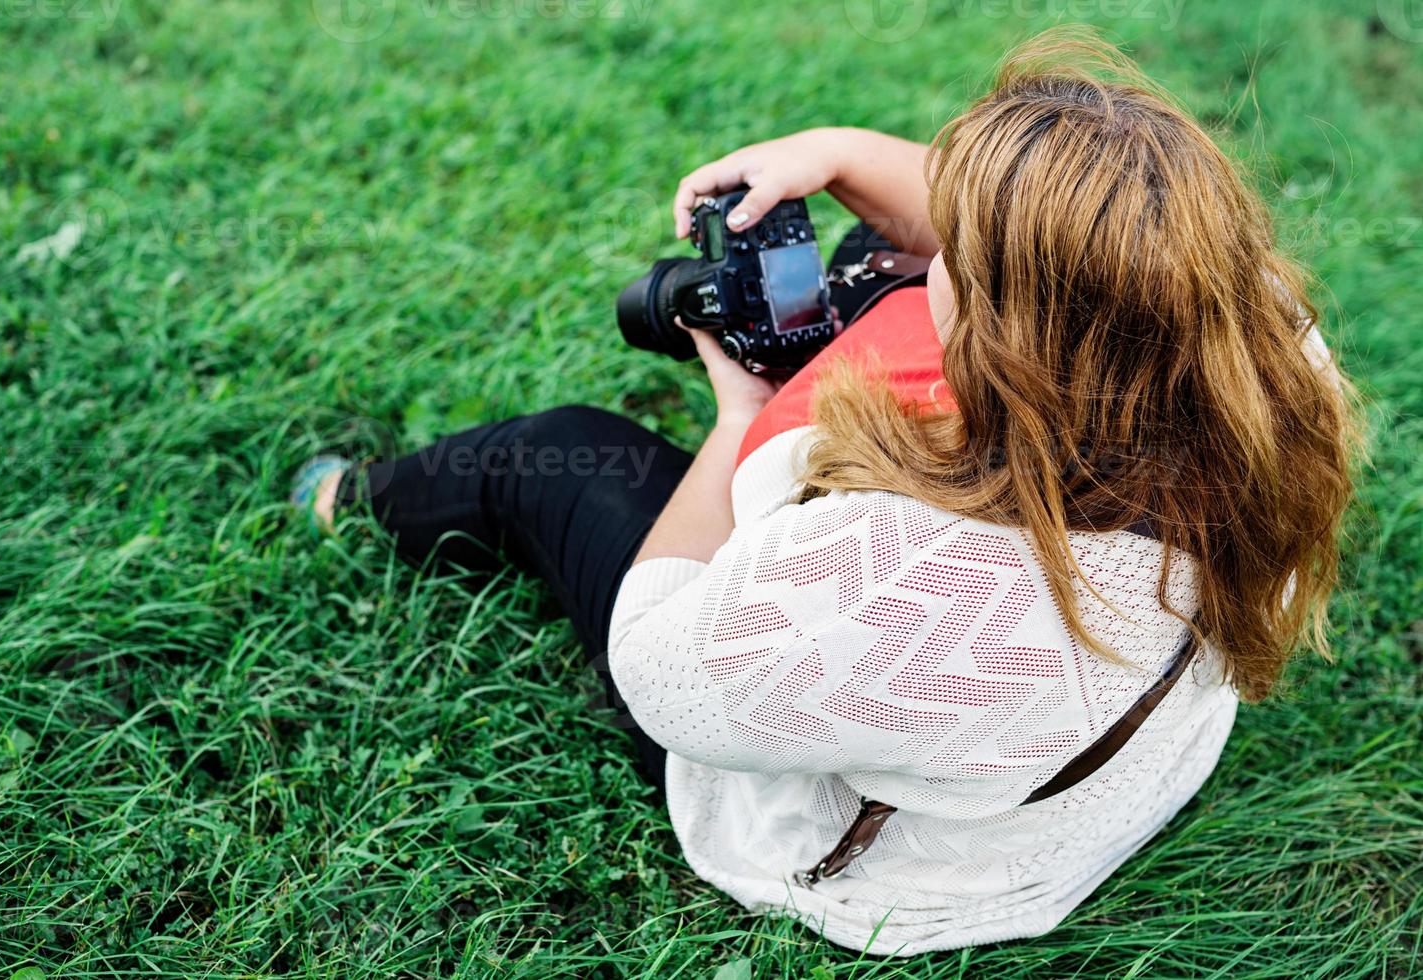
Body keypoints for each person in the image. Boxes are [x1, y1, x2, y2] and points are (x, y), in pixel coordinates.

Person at [291, 28, 1357, 956]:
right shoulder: (1260, 351)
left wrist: (738, 423)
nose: (931, 238)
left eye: (962, 255)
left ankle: (345, 498)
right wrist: (836, 154)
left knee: (560, 455)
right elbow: (1015, 241)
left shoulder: (903, 571)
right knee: (868, 268)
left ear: (1019, 327)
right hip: (1107, 766)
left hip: (922, 865)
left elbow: (662, 668)